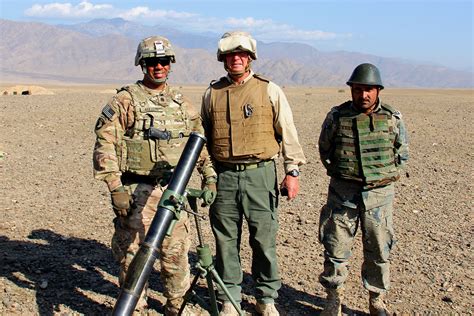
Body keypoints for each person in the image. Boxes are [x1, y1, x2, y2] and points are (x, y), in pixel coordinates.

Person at [92, 36, 217, 316]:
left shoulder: (181, 103)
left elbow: (198, 143)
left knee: (175, 257)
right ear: (142, 65)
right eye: (151, 62)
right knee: (133, 256)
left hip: (174, 192)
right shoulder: (125, 100)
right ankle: (135, 308)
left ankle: (177, 308)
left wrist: (208, 177)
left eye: (162, 62)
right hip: (137, 193)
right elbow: (105, 143)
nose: (157, 67)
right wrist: (115, 188)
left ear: (170, 64)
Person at [201, 31, 306, 316]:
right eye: (231, 55)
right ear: (223, 59)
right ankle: (229, 299)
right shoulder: (212, 93)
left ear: (250, 58)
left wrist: (292, 171)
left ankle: (266, 298)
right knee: (225, 241)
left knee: (263, 240)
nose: (236, 59)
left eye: (241, 54)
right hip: (224, 176)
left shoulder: (269, 90)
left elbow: (288, 131)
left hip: (260, 175)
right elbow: (204, 138)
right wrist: (207, 175)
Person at [317, 63, 409, 315]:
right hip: (343, 195)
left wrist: (382, 178)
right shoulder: (336, 117)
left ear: (378, 90)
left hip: (379, 197)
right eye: (358, 89)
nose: (363, 95)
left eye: (368, 89)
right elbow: (325, 149)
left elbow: (401, 152)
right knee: (335, 249)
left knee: (379, 250)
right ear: (351, 90)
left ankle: (376, 300)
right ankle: (333, 298)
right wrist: (342, 174)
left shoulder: (392, 118)